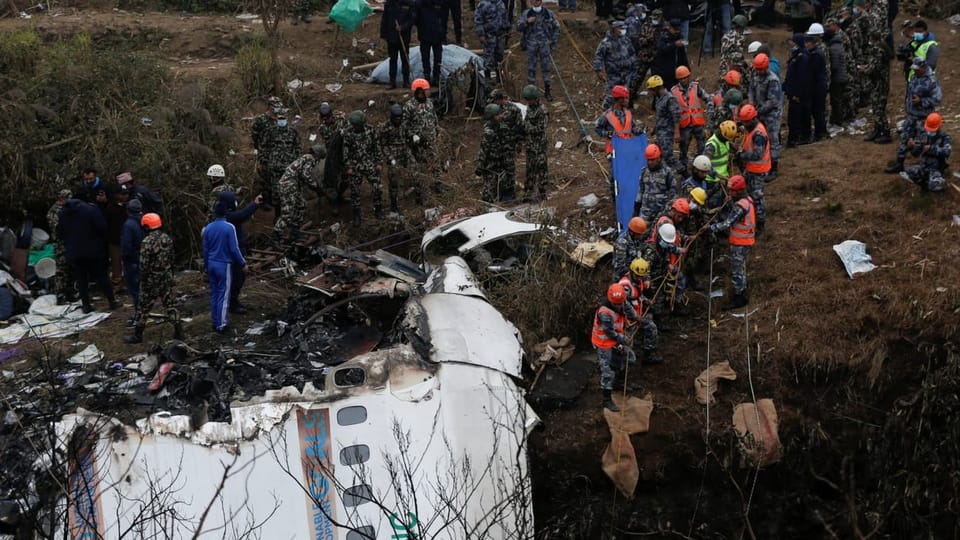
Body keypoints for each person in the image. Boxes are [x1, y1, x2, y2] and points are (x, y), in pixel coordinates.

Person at [58, 197, 121, 314]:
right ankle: (112, 301)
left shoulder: (63, 213)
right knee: (102, 276)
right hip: (93, 250)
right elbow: (102, 228)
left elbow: (61, 232)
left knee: (81, 280)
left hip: (74, 252)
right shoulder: (90, 210)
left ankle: (86, 305)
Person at [124, 213, 177, 343]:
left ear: (146, 226)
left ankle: (138, 335)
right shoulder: (167, 238)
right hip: (165, 277)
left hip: (151, 280)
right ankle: (179, 331)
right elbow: (172, 258)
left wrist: (143, 278)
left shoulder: (147, 242)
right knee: (170, 305)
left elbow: (143, 264)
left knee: (143, 308)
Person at [705, 174, 754, 309]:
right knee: (740, 267)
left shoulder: (740, 207)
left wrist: (710, 228)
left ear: (739, 190)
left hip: (740, 243)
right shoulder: (747, 200)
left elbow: (727, 223)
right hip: (745, 241)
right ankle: (742, 290)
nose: (730, 193)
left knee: (737, 270)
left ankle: (740, 298)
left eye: (733, 191)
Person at [885, 57, 941, 173]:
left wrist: (922, 101)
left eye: (917, 69)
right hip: (911, 116)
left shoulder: (932, 81)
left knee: (922, 144)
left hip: (923, 118)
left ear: (923, 67)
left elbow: (937, 99)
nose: (915, 71)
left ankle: (928, 167)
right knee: (904, 139)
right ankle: (899, 163)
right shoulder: (914, 77)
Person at [203, 194, 248, 335]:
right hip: (224, 264)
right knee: (224, 295)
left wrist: (205, 266)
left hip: (211, 263)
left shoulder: (208, 228)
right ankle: (222, 325)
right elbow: (234, 248)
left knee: (215, 294)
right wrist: (243, 263)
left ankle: (215, 321)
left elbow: (205, 249)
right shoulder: (229, 227)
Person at [592, 283, 638, 411]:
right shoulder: (604, 312)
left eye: (620, 303)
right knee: (607, 372)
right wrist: (624, 339)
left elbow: (628, 308)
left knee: (630, 358)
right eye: (616, 304)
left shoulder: (621, 300)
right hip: (604, 343)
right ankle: (606, 399)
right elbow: (610, 332)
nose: (619, 306)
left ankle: (619, 383)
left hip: (616, 339)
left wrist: (636, 317)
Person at [595, 85, 644, 198]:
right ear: (619, 99)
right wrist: (608, 134)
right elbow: (597, 128)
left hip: (627, 149)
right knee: (615, 176)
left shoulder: (628, 113)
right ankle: (616, 199)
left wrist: (641, 132)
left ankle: (628, 195)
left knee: (628, 174)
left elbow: (633, 128)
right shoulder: (608, 115)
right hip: (614, 151)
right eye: (625, 98)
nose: (627, 100)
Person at [273, 145, 325, 247]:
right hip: (288, 186)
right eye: (320, 158)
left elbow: (302, 174)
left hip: (293, 186)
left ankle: (295, 232)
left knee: (301, 205)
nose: (319, 161)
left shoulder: (305, 158)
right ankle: (275, 237)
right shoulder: (310, 159)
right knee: (287, 213)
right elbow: (305, 175)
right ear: (317, 155)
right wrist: (315, 186)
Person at [856, 0, 893, 144]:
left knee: (879, 107)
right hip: (877, 81)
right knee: (875, 106)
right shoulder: (878, 46)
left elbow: (875, 66)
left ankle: (885, 131)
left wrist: (864, 69)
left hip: (880, 82)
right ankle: (877, 129)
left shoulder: (879, 48)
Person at [257, 109, 302, 219]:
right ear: (277, 119)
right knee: (276, 193)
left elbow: (298, 148)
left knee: (289, 192)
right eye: (280, 118)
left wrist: (297, 162)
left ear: (287, 119)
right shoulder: (270, 132)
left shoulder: (292, 132)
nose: (281, 120)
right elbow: (263, 147)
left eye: (283, 118)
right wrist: (263, 161)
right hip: (274, 167)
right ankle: (277, 216)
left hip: (289, 168)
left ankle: (290, 217)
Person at [342, 111, 384, 226]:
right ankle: (356, 215)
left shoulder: (370, 130)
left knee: (377, 187)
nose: (355, 127)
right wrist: (348, 167)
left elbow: (376, 147)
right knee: (355, 191)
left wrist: (379, 162)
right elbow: (345, 153)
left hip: (369, 163)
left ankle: (378, 209)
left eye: (357, 125)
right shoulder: (348, 133)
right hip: (355, 166)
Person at [618, 258, 662, 365]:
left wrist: (646, 301)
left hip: (638, 315)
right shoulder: (625, 285)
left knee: (651, 327)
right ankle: (621, 372)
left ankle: (648, 355)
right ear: (632, 272)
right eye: (637, 276)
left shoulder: (638, 280)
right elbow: (623, 304)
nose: (639, 278)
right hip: (627, 319)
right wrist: (635, 316)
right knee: (626, 346)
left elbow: (638, 295)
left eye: (641, 276)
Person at [516, 0, 559, 99]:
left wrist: (552, 40)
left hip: (544, 44)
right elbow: (518, 27)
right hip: (531, 44)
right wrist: (527, 22)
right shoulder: (527, 13)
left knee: (546, 68)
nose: (536, 2)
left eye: (538, 0)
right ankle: (531, 92)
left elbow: (556, 28)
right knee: (531, 68)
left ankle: (547, 91)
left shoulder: (548, 13)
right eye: (533, 0)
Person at [671, 65, 710, 174]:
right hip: (685, 126)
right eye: (681, 78)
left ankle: (699, 166)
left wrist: (712, 105)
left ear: (689, 76)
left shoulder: (696, 87)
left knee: (702, 146)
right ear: (678, 79)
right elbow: (673, 112)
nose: (683, 80)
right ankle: (683, 171)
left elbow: (707, 98)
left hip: (698, 123)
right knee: (684, 149)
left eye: (685, 77)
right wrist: (676, 130)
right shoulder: (674, 92)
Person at [748, 53, 783, 176]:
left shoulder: (772, 80)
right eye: (757, 69)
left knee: (773, 139)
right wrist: (751, 104)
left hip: (772, 114)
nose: (758, 71)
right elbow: (751, 89)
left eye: (760, 69)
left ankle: (774, 166)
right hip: (759, 111)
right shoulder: (755, 74)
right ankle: (763, 163)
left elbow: (772, 101)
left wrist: (757, 111)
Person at [736, 104, 769, 232]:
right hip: (752, 168)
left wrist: (742, 155)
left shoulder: (758, 134)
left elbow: (757, 154)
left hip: (758, 170)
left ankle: (760, 223)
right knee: (750, 193)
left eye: (745, 121)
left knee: (757, 196)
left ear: (752, 119)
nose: (744, 124)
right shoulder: (752, 128)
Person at [380, 103, 418, 211]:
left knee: (416, 170)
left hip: (405, 151)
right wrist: (390, 158)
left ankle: (419, 196)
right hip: (393, 155)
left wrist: (413, 135)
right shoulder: (385, 127)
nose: (398, 120)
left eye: (400, 118)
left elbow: (408, 132)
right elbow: (383, 145)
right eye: (396, 118)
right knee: (393, 181)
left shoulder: (403, 123)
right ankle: (394, 205)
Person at [476, 103, 517, 202]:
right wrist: (480, 166)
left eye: (500, 114)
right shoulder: (489, 132)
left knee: (504, 182)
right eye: (497, 115)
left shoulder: (502, 126)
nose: (500, 116)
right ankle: (487, 205)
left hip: (501, 161)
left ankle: (505, 200)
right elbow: (483, 150)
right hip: (491, 163)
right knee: (490, 187)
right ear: (491, 117)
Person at [901, 112, 950, 192]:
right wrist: (911, 147)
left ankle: (938, 181)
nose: (930, 131)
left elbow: (946, 152)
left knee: (935, 185)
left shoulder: (944, 137)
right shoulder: (924, 136)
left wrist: (931, 149)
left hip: (936, 169)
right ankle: (924, 184)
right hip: (924, 167)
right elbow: (915, 154)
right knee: (908, 172)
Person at [594, 21, 638, 109]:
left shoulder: (626, 40)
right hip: (614, 74)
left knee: (625, 94)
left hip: (626, 74)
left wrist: (633, 67)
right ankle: (607, 112)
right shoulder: (606, 43)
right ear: (614, 29)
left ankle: (622, 113)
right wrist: (598, 70)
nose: (623, 30)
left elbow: (632, 54)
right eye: (620, 28)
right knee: (611, 94)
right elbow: (598, 56)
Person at [404, 79, 440, 175]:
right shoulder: (409, 106)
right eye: (426, 90)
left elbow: (434, 117)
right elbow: (404, 125)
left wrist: (437, 130)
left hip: (431, 138)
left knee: (435, 161)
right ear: (419, 91)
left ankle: (438, 182)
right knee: (419, 164)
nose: (428, 92)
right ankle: (421, 184)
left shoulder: (429, 103)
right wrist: (412, 135)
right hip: (418, 141)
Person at [635, 143, 678, 221]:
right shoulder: (644, 172)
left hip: (661, 214)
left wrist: (668, 211)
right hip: (645, 214)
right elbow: (640, 192)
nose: (650, 162)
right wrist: (636, 210)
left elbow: (673, 194)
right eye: (648, 160)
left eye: (652, 160)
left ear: (658, 158)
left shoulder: (667, 172)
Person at [46, 189, 75, 304]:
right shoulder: (53, 211)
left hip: (69, 243)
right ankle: (61, 295)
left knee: (71, 269)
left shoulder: (67, 209)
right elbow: (57, 228)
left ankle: (70, 292)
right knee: (61, 271)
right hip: (60, 244)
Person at [521, 85, 549, 201]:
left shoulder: (542, 110)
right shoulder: (529, 108)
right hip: (530, 145)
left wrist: (528, 128)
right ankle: (528, 193)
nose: (528, 102)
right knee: (530, 169)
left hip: (540, 145)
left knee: (541, 169)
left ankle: (542, 193)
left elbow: (542, 127)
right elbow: (526, 123)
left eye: (530, 100)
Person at [784, 34, 813, 147]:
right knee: (795, 117)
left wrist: (797, 93)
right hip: (794, 93)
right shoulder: (796, 56)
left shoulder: (802, 57)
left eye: (793, 42)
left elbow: (802, 78)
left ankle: (799, 138)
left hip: (799, 94)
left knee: (798, 117)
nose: (791, 44)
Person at [120, 199, 145, 326]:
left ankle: (139, 315)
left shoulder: (129, 225)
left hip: (132, 261)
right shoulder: (145, 221)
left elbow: (127, 246)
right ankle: (142, 313)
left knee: (135, 290)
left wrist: (124, 258)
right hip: (144, 260)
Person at [381, 0, 415, 89]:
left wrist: (403, 27)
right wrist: (384, 34)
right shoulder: (389, 4)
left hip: (404, 37)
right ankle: (392, 82)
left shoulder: (408, 3)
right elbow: (385, 19)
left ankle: (406, 81)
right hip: (392, 37)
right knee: (393, 60)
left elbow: (412, 19)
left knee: (405, 59)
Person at [648, 75, 680, 170]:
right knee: (657, 154)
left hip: (667, 132)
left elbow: (676, 115)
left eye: (652, 90)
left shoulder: (670, 99)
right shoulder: (659, 99)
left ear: (656, 88)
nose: (651, 92)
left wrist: (677, 132)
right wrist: (655, 128)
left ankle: (684, 172)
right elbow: (660, 116)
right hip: (660, 132)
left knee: (668, 157)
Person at [824, 18, 852, 127]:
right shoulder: (838, 44)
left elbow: (834, 65)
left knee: (836, 100)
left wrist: (829, 73)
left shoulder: (834, 47)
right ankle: (838, 119)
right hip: (842, 75)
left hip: (837, 77)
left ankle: (838, 121)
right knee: (839, 99)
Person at [704, 121, 737, 208]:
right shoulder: (711, 144)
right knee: (714, 205)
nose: (727, 140)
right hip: (712, 181)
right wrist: (718, 176)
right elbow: (705, 165)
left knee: (724, 203)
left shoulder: (725, 140)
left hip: (723, 178)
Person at [475, 0, 509, 82]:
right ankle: (487, 78)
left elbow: (504, 17)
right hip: (489, 36)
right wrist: (481, 34)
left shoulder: (501, 3)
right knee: (488, 58)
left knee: (499, 57)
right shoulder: (483, 4)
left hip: (500, 35)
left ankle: (499, 77)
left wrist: (507, 28)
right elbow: (478, 20)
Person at [415, 0, 447, 86]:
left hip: (437, 34)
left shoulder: (439, 3)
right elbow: (415, 19)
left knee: (437, 58)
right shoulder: (420, 4)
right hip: (424, 34)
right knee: (425, 57)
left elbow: (444, 16)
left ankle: (436, 77)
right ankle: (427, 77)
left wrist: (441, 30)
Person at [654, 19, 688, 90]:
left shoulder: (679, 36)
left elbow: (682, 55)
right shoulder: (664, 37)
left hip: (676, 69)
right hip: (665, 70)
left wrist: (686, 67)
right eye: (675, 30)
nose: (677, 32)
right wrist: (674, 45)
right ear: (670, 28)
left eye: (678, 30)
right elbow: (663, 49)